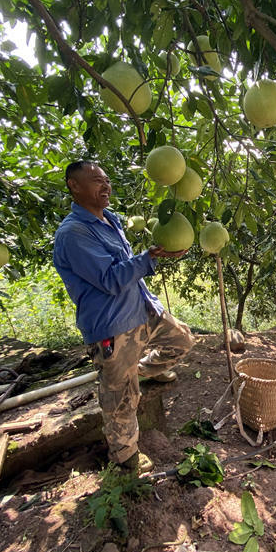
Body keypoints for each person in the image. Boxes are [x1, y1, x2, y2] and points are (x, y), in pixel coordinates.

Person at [53, 160, 196, 473]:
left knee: (182, 339)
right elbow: (109, 278)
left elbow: (126, 266)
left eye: (106, 180)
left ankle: (144, 370)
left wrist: (148, 258)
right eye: (95, 181)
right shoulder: (74, 233)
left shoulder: (111, 220)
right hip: (112, 326)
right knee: (120, 398)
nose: (105, 186)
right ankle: (125, 458)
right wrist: (150, 258)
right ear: (74, 186)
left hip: (142, 309)